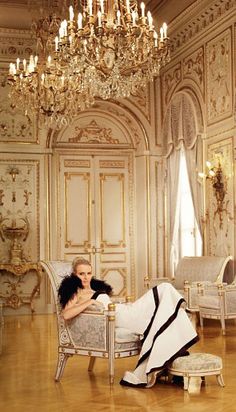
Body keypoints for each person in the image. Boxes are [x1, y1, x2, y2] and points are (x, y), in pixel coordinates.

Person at [58, 257, 199, 388]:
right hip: (118, 316)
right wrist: (90, 301)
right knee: (165, 291)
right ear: (74, 275)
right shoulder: (76, 292)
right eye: (81, 274)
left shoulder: (94, 288)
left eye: (88, 273)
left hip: (124, 311)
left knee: (166, 301)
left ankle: (172, 368)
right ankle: (184, 310)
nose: (86, 277)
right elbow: (66, 314)